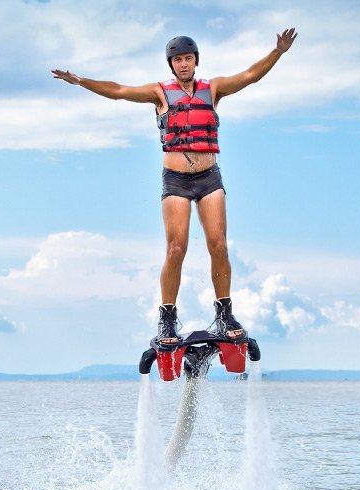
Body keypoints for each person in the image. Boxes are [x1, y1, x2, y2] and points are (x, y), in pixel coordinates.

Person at [52, 28, 298, 349]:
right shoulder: (160, 93)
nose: (184, 64)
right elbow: (119, 90)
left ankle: (224, 314)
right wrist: (82, 81)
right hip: (176, 179)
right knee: (176, 249)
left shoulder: (215, 89)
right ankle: (167, 318)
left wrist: (277, 52)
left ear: (196, 61)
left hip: (209, 177)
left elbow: (250, 75)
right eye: (178, 60)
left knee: (219, 245)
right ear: (171, 65)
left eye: (188, 58)